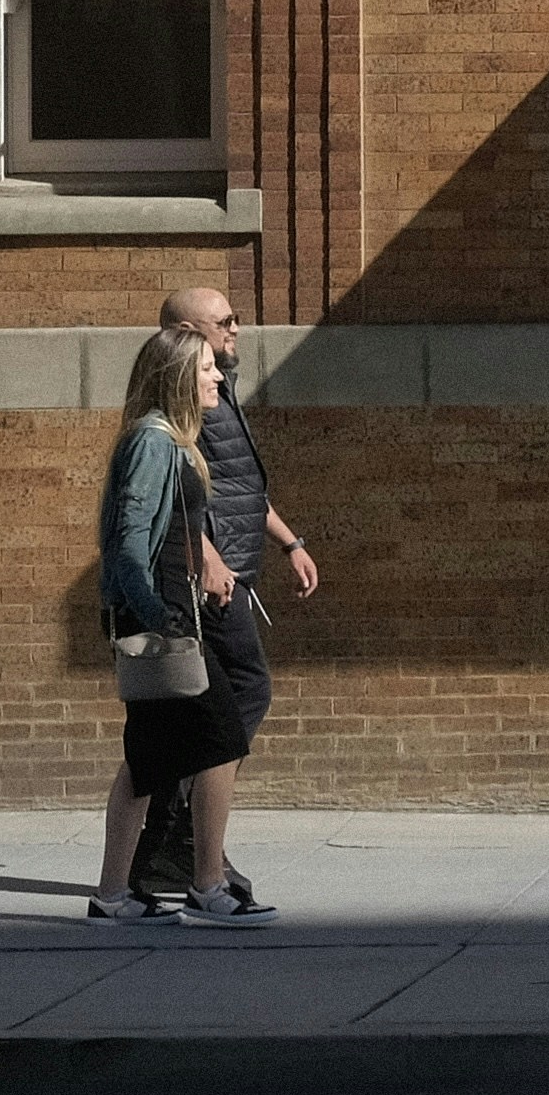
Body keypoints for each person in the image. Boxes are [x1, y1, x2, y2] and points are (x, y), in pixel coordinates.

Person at [130, 285, 318, 903]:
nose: (236, 330)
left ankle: (172, 845)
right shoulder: (185, 401)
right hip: (211, 580)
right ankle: (183, 840)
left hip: (236, 570)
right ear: (187, 330)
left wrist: (290, 542)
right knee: (234, 698)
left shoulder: (220, 387)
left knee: (206, 708)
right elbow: (182, 493)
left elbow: (238, 486)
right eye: (224, 322)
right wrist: (208, 561)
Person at [87, 322, 274, 925]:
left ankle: (113, 896)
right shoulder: (154, 442)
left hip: (171, 617)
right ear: (176, 378)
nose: (218, 375)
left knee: (147, 759)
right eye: (205, 368)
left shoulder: (169, 440)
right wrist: (160, 619)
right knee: (221, 739)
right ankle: (208, 886)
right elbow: (127, 545)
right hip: (167, 626)